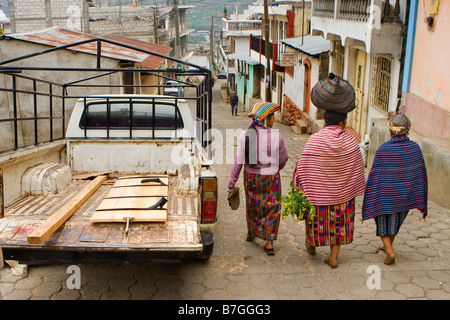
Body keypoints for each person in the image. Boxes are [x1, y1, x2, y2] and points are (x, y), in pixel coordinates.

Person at [293, 73, 366, 268]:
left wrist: (300, 184)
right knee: (338, 224)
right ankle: (333, 257)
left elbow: (303, 167)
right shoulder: (351, 141)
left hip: (317, 197)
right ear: (342, 122)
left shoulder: (315, 140)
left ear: (326, 121)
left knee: (314, 217)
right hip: (342, 198)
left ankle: (311, 243)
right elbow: (358, 168)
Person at [362, 113, 428, 265]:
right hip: (406, 197)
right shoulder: (415, 148)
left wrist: (371, 195)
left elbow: (375, 175)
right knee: (395, 222)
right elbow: (420, 173)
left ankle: (390, 252)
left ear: (391, 131)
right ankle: (387, 245)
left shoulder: (383, 149)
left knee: (383, 222)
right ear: (407, 130)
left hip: (385, 197)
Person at [228, 102, 289, 255]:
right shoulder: (276, 137)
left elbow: (238, 161)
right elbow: (283, 159)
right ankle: (269, 241)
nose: (274, 120)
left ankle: (251, 232)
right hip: (271, 179)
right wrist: (276, 169)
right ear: (265, 119)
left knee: (253, 205)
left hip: (251, 178)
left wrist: (232, 181)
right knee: (272, 208)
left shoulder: (245, 135)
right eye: (272, 116)